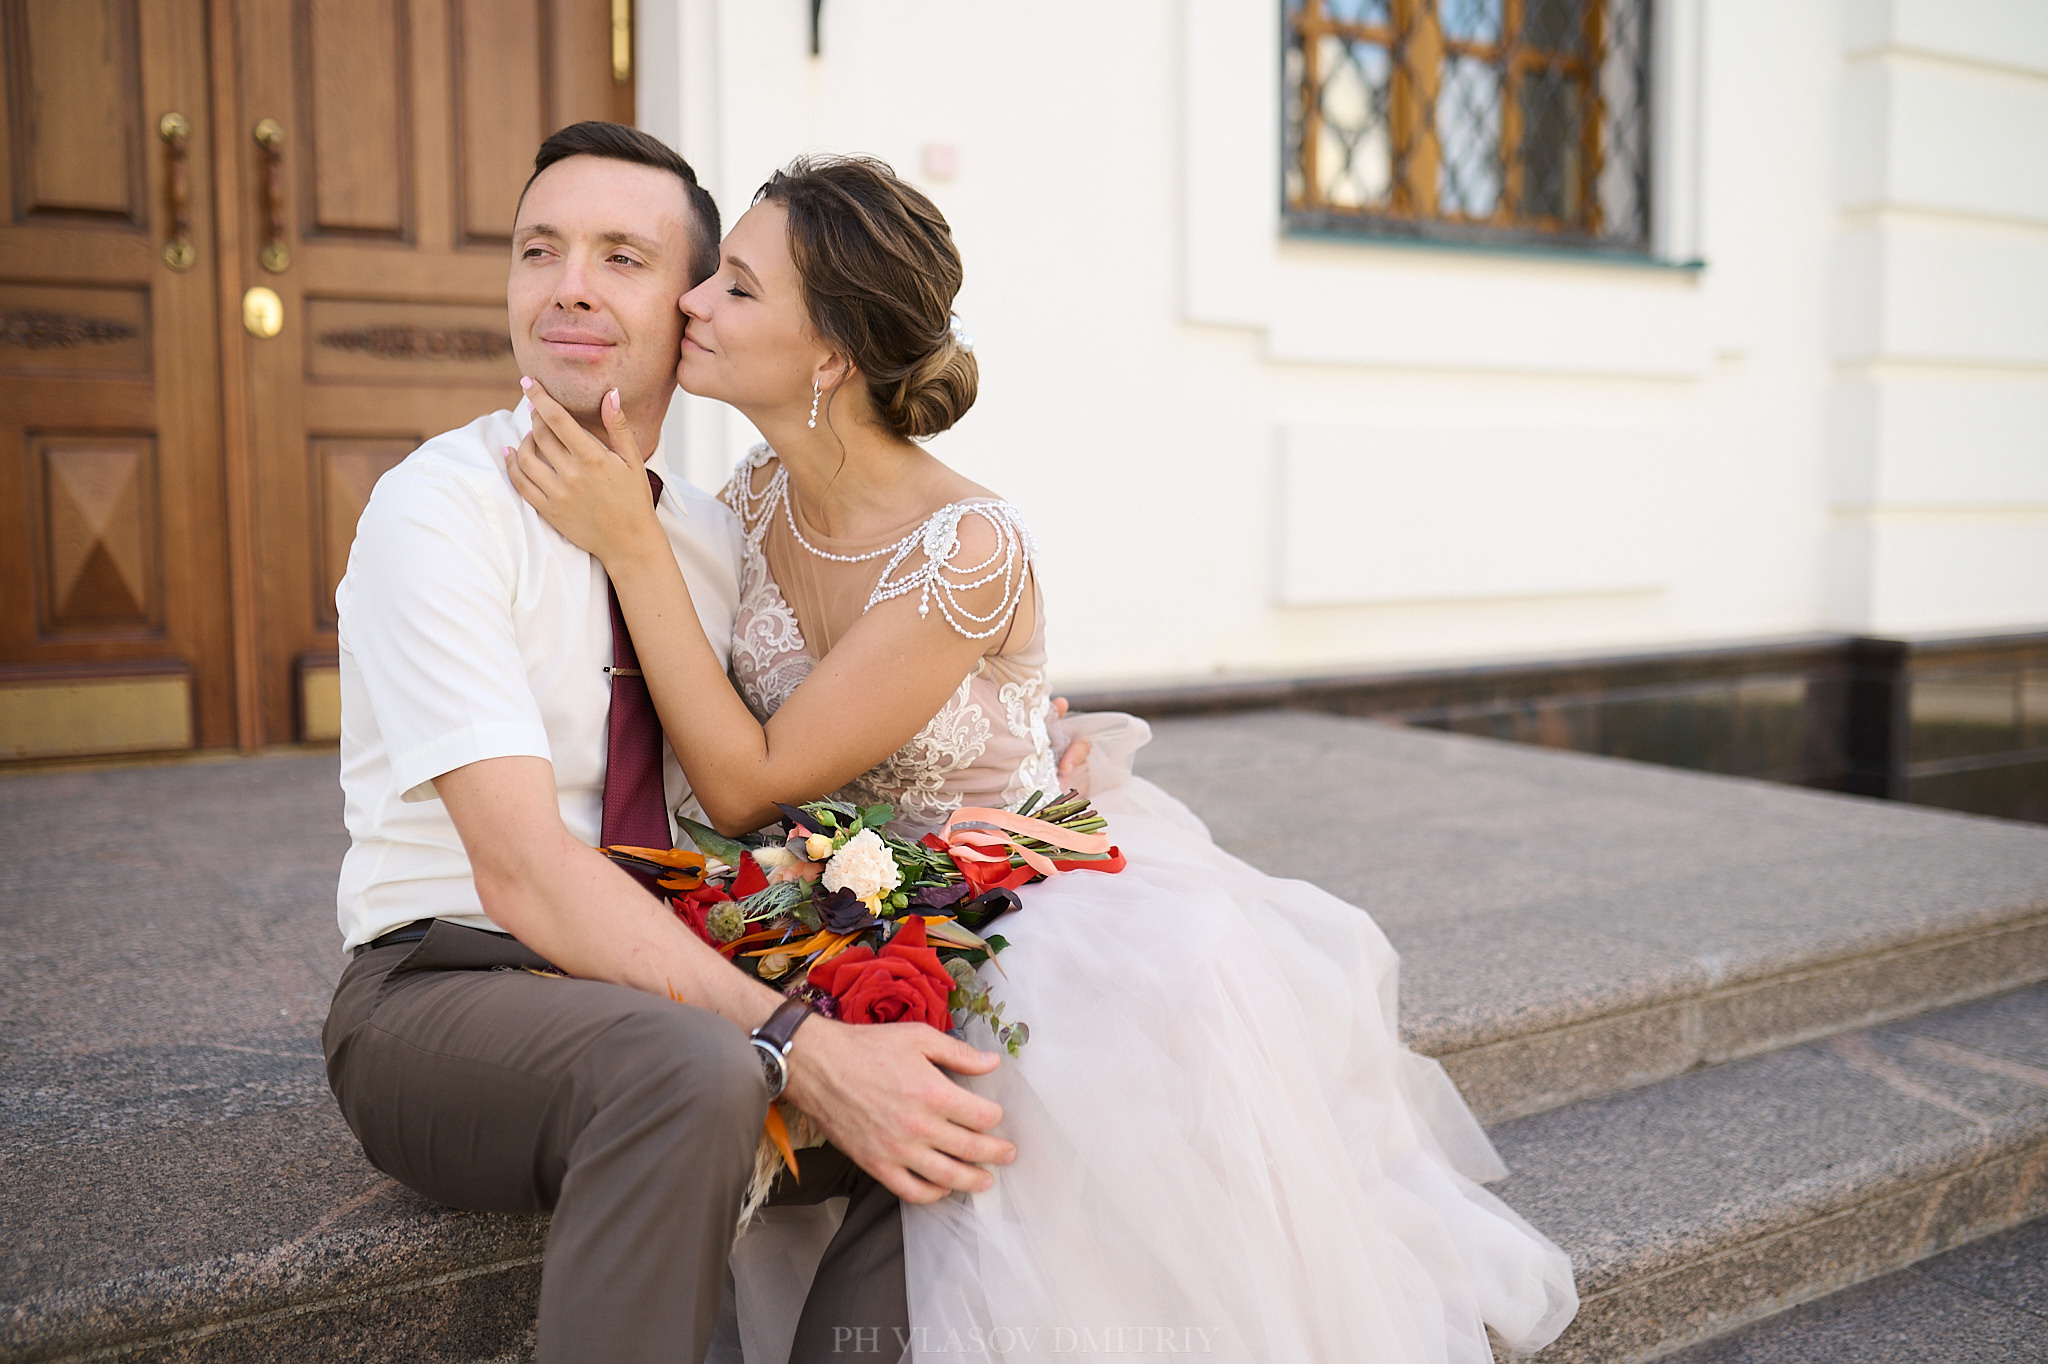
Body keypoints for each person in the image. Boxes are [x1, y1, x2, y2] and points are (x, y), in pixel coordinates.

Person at [508, 154, 1581, 1362]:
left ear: (830, 356)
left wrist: (631, 545)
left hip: (1028, 916)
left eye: (738, 289)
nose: (694, 301)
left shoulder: (964, 547)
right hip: (853, 904)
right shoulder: (751, 495)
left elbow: (757, 773)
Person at [322, 124, 1016, 1364]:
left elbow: (778, 762)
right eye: (540, 249)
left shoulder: (712, 535)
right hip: (444, 988)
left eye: (622, 257)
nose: (569, 282)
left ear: (691, 306)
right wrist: (798, 1040)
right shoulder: (440, 505)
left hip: (666, 981)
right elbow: (522, 871)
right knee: (705, 1067)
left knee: (938, 1099)